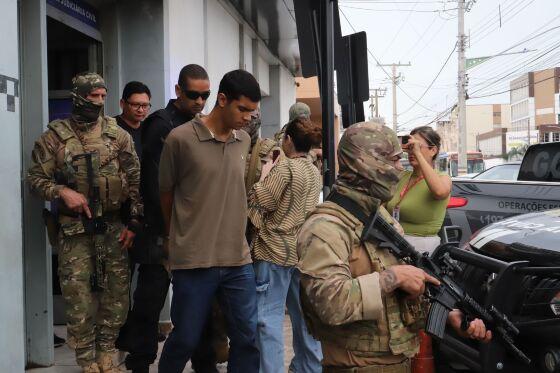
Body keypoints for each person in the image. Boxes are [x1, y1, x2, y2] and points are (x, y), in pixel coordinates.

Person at [296, 121, 492, 373]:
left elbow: (396, 301)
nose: (400, 169)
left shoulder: (379, 217)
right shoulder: (325, 227)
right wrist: (393, 277)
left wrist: (447, 315)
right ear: (366, 163)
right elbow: (329, 304)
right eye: (394, 160)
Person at [27, 72, 143, 373]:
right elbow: (35, 179)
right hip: (74, 230)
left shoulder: (118, 135)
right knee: (79, 297)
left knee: (115, 295)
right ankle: (87, 360)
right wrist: (62, 191)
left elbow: (135, 181)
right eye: (94, 97)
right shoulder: (54, 137)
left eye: (103, 97)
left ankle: (107, 354)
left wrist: (134, 222)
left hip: (114, 227)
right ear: (78, 97)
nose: (100, 103)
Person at [158, 69, 261, 373]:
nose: (247, 118)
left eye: (252, 112)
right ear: (222, 99)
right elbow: (166, 194)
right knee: (185, 338)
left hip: (237, 260)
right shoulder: (180, 139)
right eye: (242, 109)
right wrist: (176, 236)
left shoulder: (244, 141)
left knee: (246, 337)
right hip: (193, 261)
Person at [119, 64, 217, 373]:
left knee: (199, 303)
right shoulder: (161, 124)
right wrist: (168, 231)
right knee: (150, 302)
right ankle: (139, 362)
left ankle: (204, 362)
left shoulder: (199, 124)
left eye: (206, 96)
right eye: (193, 95)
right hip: (161, 230)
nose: (200, 102)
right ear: (178, 91)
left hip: (191, 231)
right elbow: (155, 184)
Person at [248, 116, 323, 373]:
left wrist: (263, 178)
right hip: (302, 252)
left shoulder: (285, 168)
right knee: (304, 318)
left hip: (274, 251)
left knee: (267, 319)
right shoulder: (314, 171)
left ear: (289, 139)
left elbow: (261, 202)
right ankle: (310, 368)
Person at [386, 126, 451, 254]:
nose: (412, 152)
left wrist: (417, 154)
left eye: (417, 146)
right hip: (393, 243)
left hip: (421, 250)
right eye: (410, 148)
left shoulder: (443, 178)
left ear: (433, 150)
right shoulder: (403, 176)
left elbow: (440, 192)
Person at [115, 81, 152, 159]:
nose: (140, 110)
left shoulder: (149, 128)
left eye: (145, 105)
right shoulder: (111, 127)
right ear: (122, 103)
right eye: (135, 105)